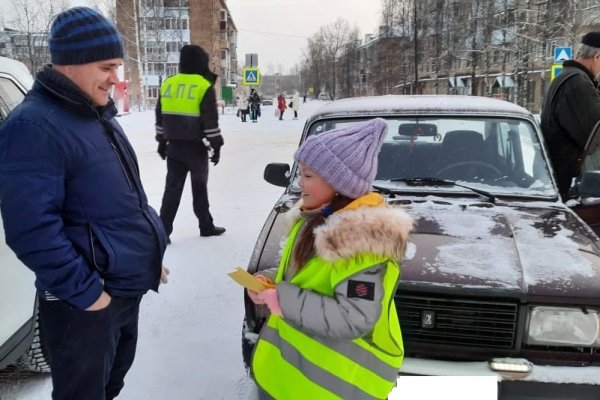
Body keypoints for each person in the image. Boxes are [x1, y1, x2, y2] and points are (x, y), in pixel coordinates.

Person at [0, 7, 168, 400]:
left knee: (108, 387)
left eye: (118, 67)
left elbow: (123, 203)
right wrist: (90, 295)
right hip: (85, 305)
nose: (116, 78)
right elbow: (31, 230)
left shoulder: (95, 116)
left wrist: (147, 254)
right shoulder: (33, 127)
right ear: (73, 62)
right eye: (107, 66)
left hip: (122, 292)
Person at [248, 118, 414, 399]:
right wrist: (272, 284)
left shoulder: (361, 242)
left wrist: (282, 299)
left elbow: (353, 317)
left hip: (335, 387)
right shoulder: (315, 219)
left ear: (339, 184)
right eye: (301, 174)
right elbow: (310, 276)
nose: (301, 184)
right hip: (296, 380)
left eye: (309, 175)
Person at [155, 44, 225, 241]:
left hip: (173, 148)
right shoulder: (203, 86)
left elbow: (160, 115)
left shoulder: (168, 83)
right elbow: (210, 123)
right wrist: (216, 146)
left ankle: (163, 231)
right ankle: (206, 226)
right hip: (196, 149)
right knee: (199, 189)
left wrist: (161, 141)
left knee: (171, 191)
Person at [540, 32, 600, 199]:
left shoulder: (567, 76)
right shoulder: (577, 83)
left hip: (560, 179)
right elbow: (593, 137)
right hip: (571, 187)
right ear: (597, 56)